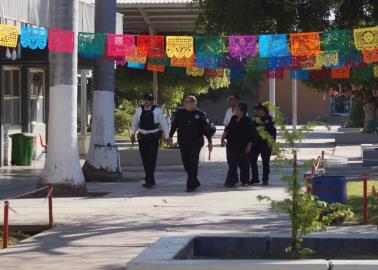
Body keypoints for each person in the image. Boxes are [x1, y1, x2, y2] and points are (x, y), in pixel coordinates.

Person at [168, 96, 215, 192]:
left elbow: (206, 130)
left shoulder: (200, 114)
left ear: (194, 103)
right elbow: (174, 125)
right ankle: (194, 181)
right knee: (186, 164)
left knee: (193, 163)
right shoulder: (180, 113)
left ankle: (190, 185)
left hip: (196, 143)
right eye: (185, 101)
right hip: (183, 142)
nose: (185, 103)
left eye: (187, 102)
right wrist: (170, 136)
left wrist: (210, 141)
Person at [131, 93, 169, 189]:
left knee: (152, 158)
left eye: (150, 100)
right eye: (147, 100)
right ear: (144, 100)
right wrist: (132, 134)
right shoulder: (139, 110)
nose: (148, 102)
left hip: (153, 137)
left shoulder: (157, 110)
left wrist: (167, 136)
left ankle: (149, 180)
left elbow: (164, 123)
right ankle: (150, 179)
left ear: (152, 101)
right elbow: (135, 122)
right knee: (145, 159)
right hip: (142, 137)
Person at [221, 102, 255, 187]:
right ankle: (231, 180)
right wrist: (222, 138)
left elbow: (252, 134)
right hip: (231, 145)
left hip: (243, 146)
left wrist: (249, 145)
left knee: (244, 165)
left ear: (242, 111)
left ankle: (245, 180)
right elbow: (227, 129)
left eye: (237, 110)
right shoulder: (233, 118)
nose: (236, 111)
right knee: (232, 164)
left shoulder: (247, 120)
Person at [250, 103, 277, 186]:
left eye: (257, 110)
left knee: (265, 162)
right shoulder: (255, 119)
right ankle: (255, 178)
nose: (256, 111)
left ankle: (265, 179)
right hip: (256, 143)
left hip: (265, 144)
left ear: (262, 110)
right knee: (252, 160)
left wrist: (271, 143)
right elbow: (251, 131)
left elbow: (273, 132)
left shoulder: (269, 119)